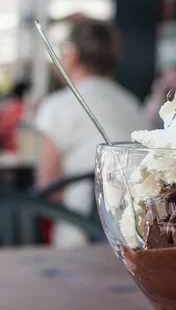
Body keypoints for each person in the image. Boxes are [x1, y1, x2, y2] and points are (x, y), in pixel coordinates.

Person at [35, 19, 145, 248]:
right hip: (132, 235)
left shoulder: (55, 106)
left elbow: (46, 184)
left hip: (79, 234)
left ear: (73, 54)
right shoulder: (132, 104)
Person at [0, 81, 30, 152]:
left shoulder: (13, 106)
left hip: (15, 145)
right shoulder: (17, 107)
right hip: (11, 145)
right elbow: (5, 126)